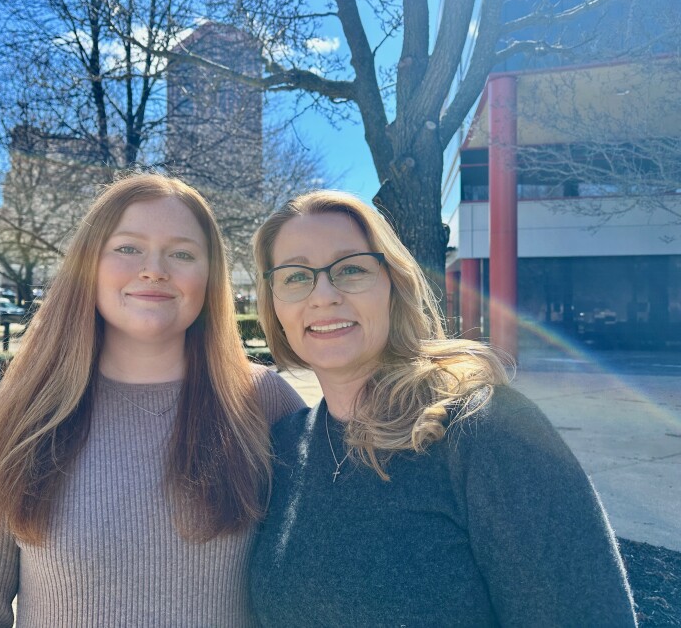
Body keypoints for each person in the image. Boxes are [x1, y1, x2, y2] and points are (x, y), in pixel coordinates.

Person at [0, 174, 305, 626]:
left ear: (210, 278)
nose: (154, 269)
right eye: (128, 248)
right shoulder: (21, 416)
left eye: (182, 253)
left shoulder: (264, 403)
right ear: (89, 264)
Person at [248, 191, 636, 627]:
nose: (323, 295)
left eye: (351, 269)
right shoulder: (283, 445)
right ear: (274, 303)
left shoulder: (488, 430)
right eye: (296, 277)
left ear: (393, 285)